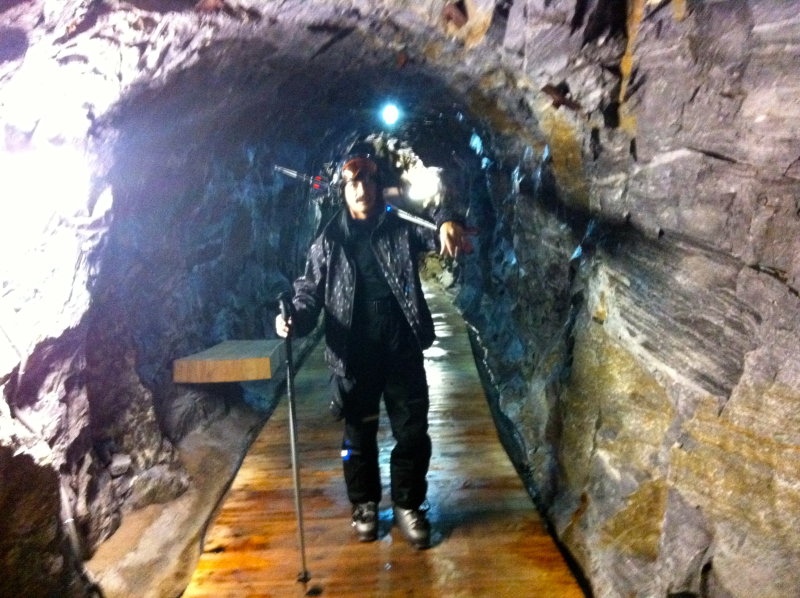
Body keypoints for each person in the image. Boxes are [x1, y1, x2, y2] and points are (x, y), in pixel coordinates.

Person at [275, 154, 470, 549]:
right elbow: (308, 293)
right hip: (353, 351)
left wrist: (448, 220)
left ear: (379, 186)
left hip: (401, 345)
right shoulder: (329, 240)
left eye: (368, 181)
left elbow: (435, 223)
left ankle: (407, 504)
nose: (362, 189)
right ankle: (363, 502)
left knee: (412, 432)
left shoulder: (400, 225)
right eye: (353, 183)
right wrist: (292, 318)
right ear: (342, 191)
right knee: (357, 436)